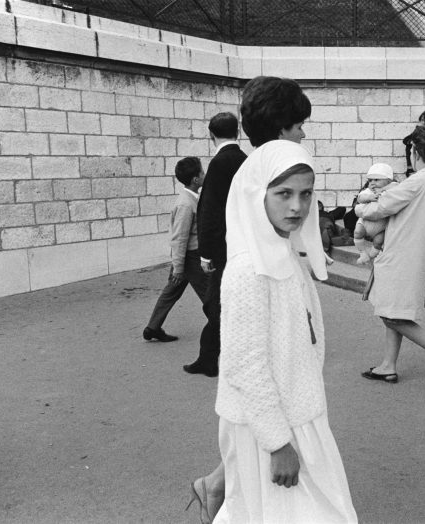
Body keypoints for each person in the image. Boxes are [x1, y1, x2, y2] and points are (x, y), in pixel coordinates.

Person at [187, 75, 314, 524]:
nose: (303, 132)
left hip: (258, 279)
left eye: (304, 195)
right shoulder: (251, 169)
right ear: (282, 124)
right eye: (298, 124)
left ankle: (218, 485)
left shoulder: (266, 167)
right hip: (242, 274)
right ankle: (220, 486)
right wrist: (211, 259)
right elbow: (212, 215)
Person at [213, 139, 357, 523]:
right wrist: (278, 443)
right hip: (270, 427)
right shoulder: (247, 270)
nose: (297, 206)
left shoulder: (284, 252)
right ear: (258, 194)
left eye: (306, 194)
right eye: (284, 194)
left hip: (299, 413)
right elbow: (245, 365)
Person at [357, 125, 425, 388]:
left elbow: (378, 208)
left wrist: (360, 204)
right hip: (410, 253)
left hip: (401, 254)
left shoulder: (417, 181)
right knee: (395, 311)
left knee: (391, 314)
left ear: (415, 151)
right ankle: (388, 366)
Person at [183, 112, 247, 378]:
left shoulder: (218, 163)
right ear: (239, 132)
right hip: (244, 245)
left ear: (211, 135)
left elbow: (209, 211)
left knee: (215, 304)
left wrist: (206, 253)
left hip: (223, 248)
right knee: (220, 303)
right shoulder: (245, 161)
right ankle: (207, 358)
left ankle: (225, 358)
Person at [143, 157, 208, 343]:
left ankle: (152, 327)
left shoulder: (191, 199)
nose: (204, 175)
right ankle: (222, 330)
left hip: (187, 258)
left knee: (171, 291)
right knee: (210, 295)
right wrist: (179, 268)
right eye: (202, 173)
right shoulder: (186, 204)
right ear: (195, 179)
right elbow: (180, 238)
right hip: (191, 258)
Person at [353, 163, 397, 264]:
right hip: (365, 222)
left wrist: (383, 190)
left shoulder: (391, 191)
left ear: (388, 181)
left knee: (378, 242)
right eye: (370, 180)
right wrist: (369, 198)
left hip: (380, 227)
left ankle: (371, 255)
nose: (372, 183)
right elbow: (360, 198)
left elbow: (396, 187)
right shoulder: (369, 191)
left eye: (376, 180)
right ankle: (362, 253)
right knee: (358, 232)